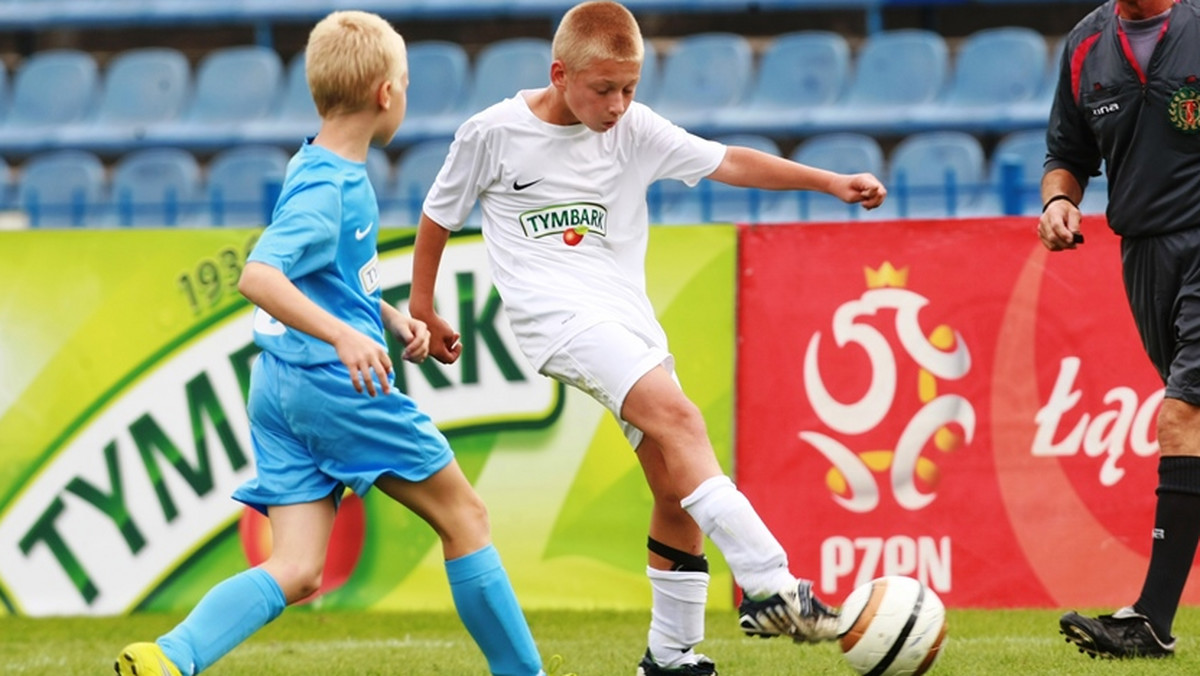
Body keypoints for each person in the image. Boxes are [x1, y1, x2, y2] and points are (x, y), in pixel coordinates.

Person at [409, 2, 887, 674]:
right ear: (560, 72)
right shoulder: (491, 132)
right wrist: (423, 309)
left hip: (627, 319)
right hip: (556, 319)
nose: (617, 104)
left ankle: (669, 657)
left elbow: (731, 163)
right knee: (682, 420)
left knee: (673, 482)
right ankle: (772, 583)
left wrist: (828, 181)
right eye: (604, 89)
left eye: (629, 89)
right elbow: (437, 215)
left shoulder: (632, 129)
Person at [114, 11, 558, 676]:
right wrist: (347, 336)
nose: (405, 94)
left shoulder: (315, 163)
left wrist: (385, 317)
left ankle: (169, 659)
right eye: (405, 82)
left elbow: (323, 280)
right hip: (331, 385)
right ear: (386, 94)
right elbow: (258, 276)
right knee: (465, 516)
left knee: (295, 569)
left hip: (280, 386)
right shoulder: (332, 187)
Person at [1040, 0, 1200, 661]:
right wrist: (1058, 200)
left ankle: (1150, 622)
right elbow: (1066, 153)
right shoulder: (1085, 44)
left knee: (1180, 415)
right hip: (1141, 253)